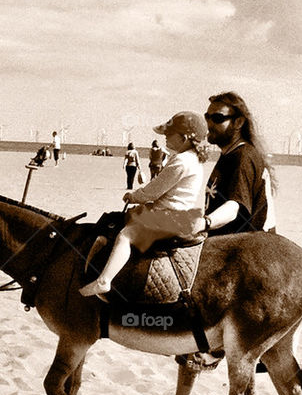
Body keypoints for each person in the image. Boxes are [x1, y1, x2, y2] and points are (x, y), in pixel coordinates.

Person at [149, 92, 282, 395]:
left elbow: (236, 208)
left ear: (238, 122)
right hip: (247, 254)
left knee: (194, 329)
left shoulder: (240, 158)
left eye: (218, 118)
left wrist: (204, 224)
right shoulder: (237, 156)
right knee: (274, 351)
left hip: (240, 261)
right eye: (207, 117)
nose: (209, 123)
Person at [80, 112, 210, 297]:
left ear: (185, 137)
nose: (165, 136)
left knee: (125, 235)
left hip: (169, 215)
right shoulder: (191, 158)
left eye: (169, 133)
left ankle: (104, 280)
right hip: (175, 212)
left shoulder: (182, 161)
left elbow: (153, 191)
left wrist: (134, 196)